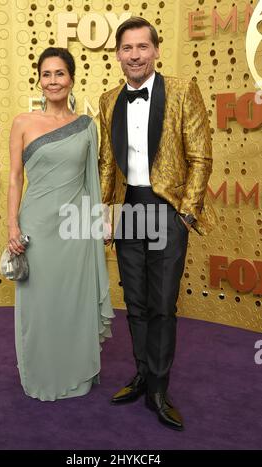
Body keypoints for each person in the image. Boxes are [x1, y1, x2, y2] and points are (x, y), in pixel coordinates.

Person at [98, 18, 217, 429]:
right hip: (129, 208)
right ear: (117, 54)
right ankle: (143, 373)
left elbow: (201, 156)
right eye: (127, 48)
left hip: (167, 210)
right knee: (135, 302)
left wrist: (186, 213)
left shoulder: (183, 90)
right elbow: (107, 165)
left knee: (163, 303)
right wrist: (106, 212)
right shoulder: (108, 98)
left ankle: (159, 388)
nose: (135, 55)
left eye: (142, 47)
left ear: (156, 50)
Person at [7, 47, 114, 401]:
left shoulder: (86, 126)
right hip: (36, 226)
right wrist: (12, 227)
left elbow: (92, 181)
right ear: (40, 80)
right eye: (47, 74)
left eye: (60, 74)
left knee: (73, 301)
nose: (53, 81)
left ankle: (76, 373)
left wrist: (97, 224)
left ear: (71, 79)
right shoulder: (23, 122)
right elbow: (15, 178)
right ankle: (39, 371)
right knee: (39, 303)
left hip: (75, 228)